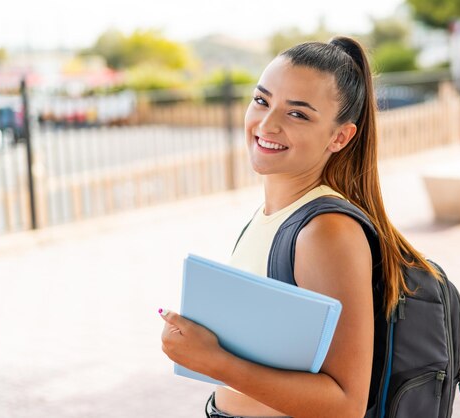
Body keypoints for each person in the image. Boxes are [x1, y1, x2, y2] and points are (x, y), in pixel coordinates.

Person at [159, 36, 440, 418]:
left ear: (340, 136)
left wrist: (213, 361)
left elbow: (345, 404)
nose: (267, 123)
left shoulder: (327, 231)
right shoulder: (271, 215)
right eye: (262, 100)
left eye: (297, 114)